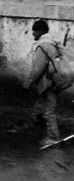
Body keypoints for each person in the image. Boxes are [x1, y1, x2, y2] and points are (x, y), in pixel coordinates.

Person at [23, 19, 64, 148]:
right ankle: (38, 122)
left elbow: (37, 69)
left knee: (48, 109)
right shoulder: (53, 42)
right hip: (57, 79)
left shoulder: (43, 46)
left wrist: (28, 83)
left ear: (40, 31)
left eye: (34, 31)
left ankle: (53, 137)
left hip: (49, 82)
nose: (33, 34)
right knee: (42, 103)